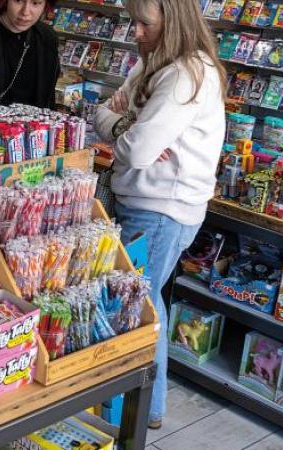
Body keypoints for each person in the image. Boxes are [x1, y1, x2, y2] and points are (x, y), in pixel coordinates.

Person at [92, 0, 227, 430]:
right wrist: (123, 121)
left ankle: (132, 410)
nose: (135, 32)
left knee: (134, 307)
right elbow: (104, 111)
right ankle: (143, 408)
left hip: (161, 211)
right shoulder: (153, 62)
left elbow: (136, 149)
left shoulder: (186, 74)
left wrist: (125, 126)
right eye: (133, 21)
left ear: (173, 22)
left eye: (144, 23)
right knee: (146, 303)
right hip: (141, 202)